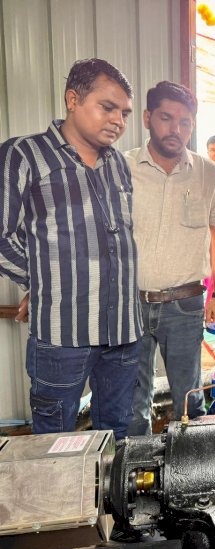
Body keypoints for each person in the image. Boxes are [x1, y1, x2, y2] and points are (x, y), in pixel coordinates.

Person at [0, 58, 141, 440]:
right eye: (107, 107)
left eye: (125, 113)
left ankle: (107, 483)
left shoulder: (118, 164)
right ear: (73, 99)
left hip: (123, 332)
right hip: (62, 337)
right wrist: (43, 281)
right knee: (54, 441)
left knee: (117, 435)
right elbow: (2, 236)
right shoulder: (24, 155)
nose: (118, 121)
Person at [125, 81, 215, 436]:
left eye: (185, 121)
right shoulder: (122, 168)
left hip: (185, 305)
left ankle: (190, 468)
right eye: (166, 118)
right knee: (132, 404)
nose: (176, 129)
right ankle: (138, 467)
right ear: (147, 118)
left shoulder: (208, 173)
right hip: (130, 304)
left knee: (189, 402)